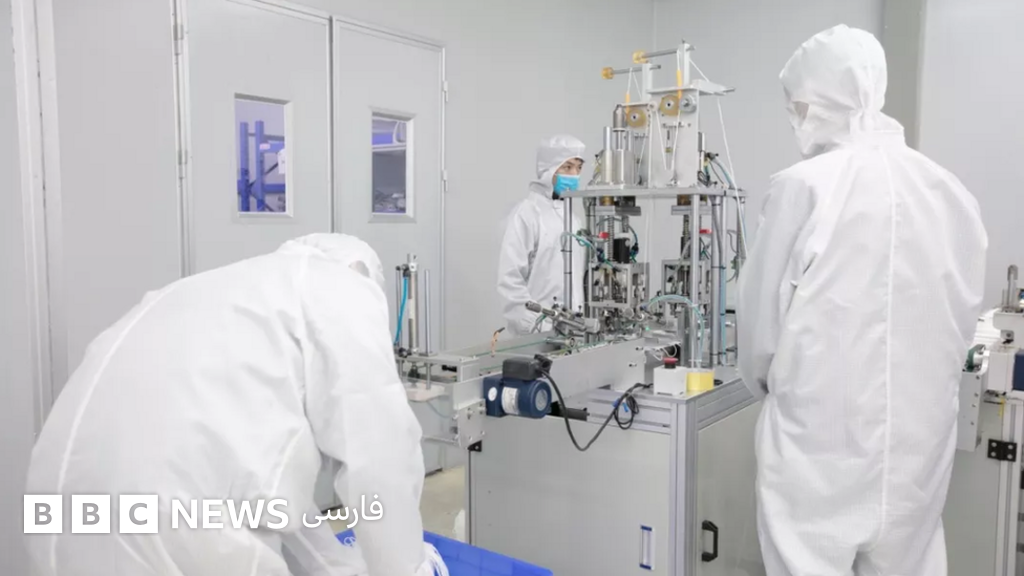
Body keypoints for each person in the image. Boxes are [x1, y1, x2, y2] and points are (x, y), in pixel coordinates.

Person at [25, 234, 441, 576]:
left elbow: (263, 496)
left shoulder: (206, 291)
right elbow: (379, 454)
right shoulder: (343, 287)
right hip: (176, 523)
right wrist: (410, 567)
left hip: (56, 512)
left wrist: (340, 568)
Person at [738, 25, 987, 575]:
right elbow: (963, 318)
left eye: (798, 106)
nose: (797, 118)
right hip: (918, 446)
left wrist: (770, 388)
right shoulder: (950, 192)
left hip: (818, 445)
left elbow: (758, 332)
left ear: (817, 99)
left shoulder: (803, 187)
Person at [497, 134, 587, 336]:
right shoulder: (527, 214)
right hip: (537, 333)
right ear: (549, 169)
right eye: (567, 167)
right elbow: (510, 280)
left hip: (574, 331)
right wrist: (537, 326)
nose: (574, 175)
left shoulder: (573, 219)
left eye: (579, 168)